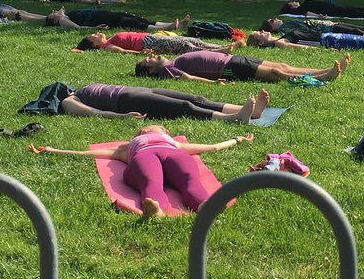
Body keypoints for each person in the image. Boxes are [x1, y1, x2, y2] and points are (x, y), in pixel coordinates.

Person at [28, 125, 256, 218]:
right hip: (143, 156)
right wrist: (53, 150)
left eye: (156, 127)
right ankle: (156, 209)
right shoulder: (127, 147)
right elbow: (90, 154)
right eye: (143, 129)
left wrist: (237, 139)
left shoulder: (174, 142)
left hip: (172, 154)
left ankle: (205, 206)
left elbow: (213, 147)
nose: (149, 127)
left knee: (190, 179)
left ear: (166, 131)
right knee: (151, 183)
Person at [58, 83, 269, 122]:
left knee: (197, 99)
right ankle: (233, 118)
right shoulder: (69, 102)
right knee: (183, 108)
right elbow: (95, 113)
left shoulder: (80, 89)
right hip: (125, 101)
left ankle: (252, 112)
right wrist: (122, 116)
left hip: (136, 90)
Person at [135, 51, 349, 83]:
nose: (152, 56)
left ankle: (322, 71)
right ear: (152, 70)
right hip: (228, 69)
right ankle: (323, 77)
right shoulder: (167, 70)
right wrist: (212, 81)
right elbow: (187, 79)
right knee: (277, 73)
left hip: (232, 58)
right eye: (149, 61)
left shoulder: (172, 61)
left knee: (283, 65)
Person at [247, 29, 364, 53]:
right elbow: (299, 47)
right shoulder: (279, 42)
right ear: (260, 43)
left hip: (329, 36)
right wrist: (326, 51)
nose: (263, 31)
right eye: (259, 34)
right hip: (329, 41)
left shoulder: (279, 35)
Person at [75, 31, 238, 55]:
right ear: (94, 45)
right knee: (184, 46)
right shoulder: (106, 46)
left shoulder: (108, 39)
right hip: (147, 44)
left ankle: (219, 47)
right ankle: (217, 52)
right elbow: (122, 51)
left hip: (149, 37)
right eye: (93, 36)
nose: (97, 33)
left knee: (190, 40)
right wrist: (140, 53)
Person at [45, 5, 187, 31]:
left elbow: (62, 9)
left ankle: (174, 24)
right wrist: (93, 28)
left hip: (103, 14)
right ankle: (165, 27)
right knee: (129, 22)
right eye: (52, 14)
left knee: (136, 18)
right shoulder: (63, 20)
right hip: (98, 20)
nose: (53, 11)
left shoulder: (67, 14)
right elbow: (78, 28)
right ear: (54, 20)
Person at [259, 17, 364, 40]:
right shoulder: (284, 30)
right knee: (357, 32)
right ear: (272, 26)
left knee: (361, 27)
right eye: (274, 20)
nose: (277, 19)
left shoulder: (287, 24)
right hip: (326, 30)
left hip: (328, 24)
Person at [280, 0, 364, 21]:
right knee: (353, 13)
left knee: (358, 9)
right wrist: (319, 16)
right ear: (292, 7)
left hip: (331, 7)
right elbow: (306, 14)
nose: (295, 1)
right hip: (331, 10)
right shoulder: (301, 8)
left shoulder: (303, 5)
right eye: (293, 2)